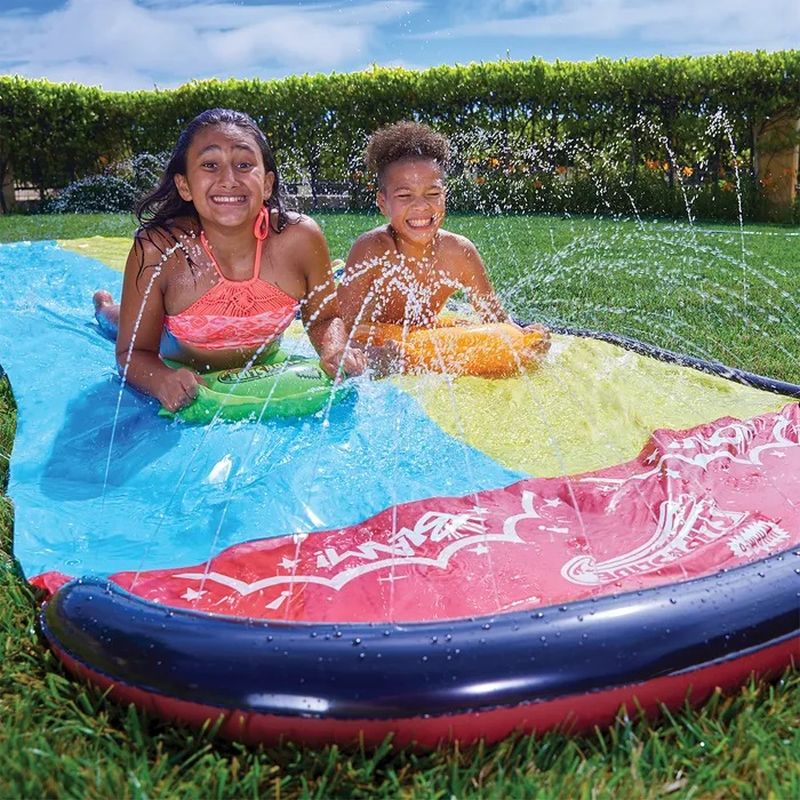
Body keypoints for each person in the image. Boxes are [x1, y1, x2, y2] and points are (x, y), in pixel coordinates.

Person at [94, 108, 365, 412]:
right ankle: (104, 307)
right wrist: (161, 379)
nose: (229, 179)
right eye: (210, 165)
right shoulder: (160, 250)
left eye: (244, 165)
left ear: (267, 183)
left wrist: (335, 348)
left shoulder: (300, 239)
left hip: (262, 361)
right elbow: (133, 352)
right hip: (172, 351)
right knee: (121, 321)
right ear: (185, 185)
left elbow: (325, 318)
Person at [337, 121, 551, 375]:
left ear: (444, 195)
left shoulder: (460, 252)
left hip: (424, 335)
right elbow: (340, 325)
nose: (421, 206)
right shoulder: (371, 249)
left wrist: (523, 337)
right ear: (383, 203)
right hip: (377, 336)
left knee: (512, 347)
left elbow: (496, 319)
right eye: (404, 195)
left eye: (432, 193)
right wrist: (368, 354)